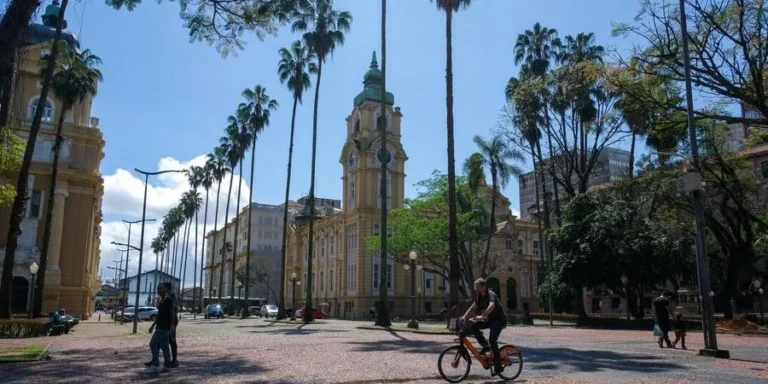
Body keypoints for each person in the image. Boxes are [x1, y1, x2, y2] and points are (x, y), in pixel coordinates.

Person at [462, 278, 507, 375]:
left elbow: (492, 305)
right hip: (490, 319)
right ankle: (485, 346)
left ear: (484, 287)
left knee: (492, 340)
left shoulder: (491, 294)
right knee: (473, 327)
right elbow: (474, 306)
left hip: (499, 320)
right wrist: (465, 316)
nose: (476, 289)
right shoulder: (479, 296)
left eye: (477, 287)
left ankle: (498, 365)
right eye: (475, 287)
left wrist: (483, 316)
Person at [145, 282, 173, 373]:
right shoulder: (162, 300)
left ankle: (156, 364)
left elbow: (171, 313)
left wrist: (172, 326)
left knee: (153, 344)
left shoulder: (168, 299)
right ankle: (167, 365)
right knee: (165, 347)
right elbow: (159, 315)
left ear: (166, 289)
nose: (159, 290)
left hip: (163, 327)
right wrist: (153, 325)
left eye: (161, 288)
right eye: (158, 288)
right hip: (161, 327)